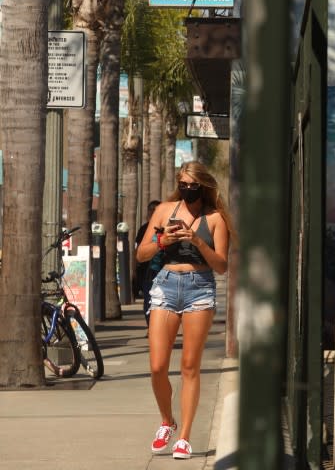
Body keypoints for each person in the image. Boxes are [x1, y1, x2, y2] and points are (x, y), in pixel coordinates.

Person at [136, 161, 232, 460]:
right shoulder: (165, 210)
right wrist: (164, 241)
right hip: (165, 284)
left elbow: (221, 266)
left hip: (199, 287)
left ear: (203, 186)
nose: (188, 189)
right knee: (157, 366)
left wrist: (197, 241)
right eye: (183, 183)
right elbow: (141, 254)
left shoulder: (215, 218)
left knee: (190, 365)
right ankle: (167, 421)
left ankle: (185, 436)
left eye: (193, 185)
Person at [135, 200, 162, 326]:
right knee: (148, 300)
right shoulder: (143, 229)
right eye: (152, 211)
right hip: (147, 272)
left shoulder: (167, 228)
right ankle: (151, 327)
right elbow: (137, 250)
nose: (154, 213)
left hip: (164, 271)